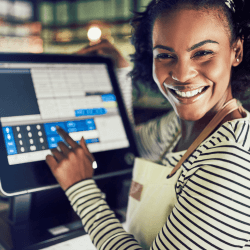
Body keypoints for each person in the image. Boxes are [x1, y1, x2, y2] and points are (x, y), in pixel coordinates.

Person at [45, 0, 250, 249]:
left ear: (236, 51)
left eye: (203, 53)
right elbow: (130, 144)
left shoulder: (230, 161)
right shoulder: (180, 128)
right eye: (164, 55)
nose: (182, 74)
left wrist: (80, 189)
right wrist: (121, 73)